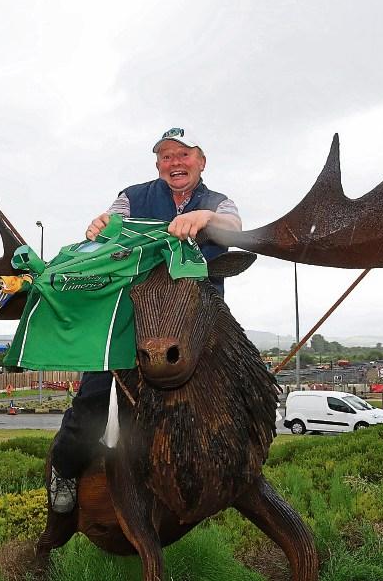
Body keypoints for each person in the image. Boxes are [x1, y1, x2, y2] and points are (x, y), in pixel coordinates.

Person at [47, 127, 243, 514]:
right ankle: (65, 469)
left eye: (184, 155)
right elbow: (107, 233)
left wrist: (205, 218)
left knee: (232, 389)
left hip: (194, 323)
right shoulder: (132, 197)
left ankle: (233, 472)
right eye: (167, 157)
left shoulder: (219, 202)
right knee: (94, 397)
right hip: (133, 316)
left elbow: (235, 230)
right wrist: (99, 229)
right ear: (158, 165)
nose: (176, 163)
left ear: (201, 162)